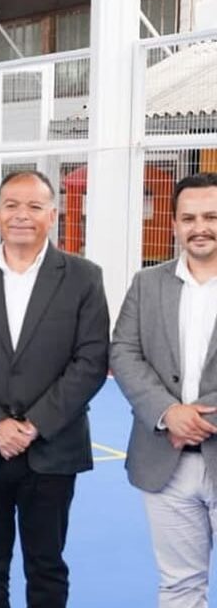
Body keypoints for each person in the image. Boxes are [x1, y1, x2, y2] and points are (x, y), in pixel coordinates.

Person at [0, 170, 109, 608]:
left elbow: (91, 362)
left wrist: (33, 425)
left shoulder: (83, 277)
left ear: (52, 215)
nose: (22, 215)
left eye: (34, 206)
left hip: (52, 448)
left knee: (46, 565)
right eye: (12, 205)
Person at [111, 172, 217, 607]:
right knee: (179, 585)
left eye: (211, 216)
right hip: (166, 462)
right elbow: (124, 352)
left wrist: (199, 417)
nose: (200, 227)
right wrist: (168, 413)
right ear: (173, 224)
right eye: (188, 217)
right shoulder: (147, 283)